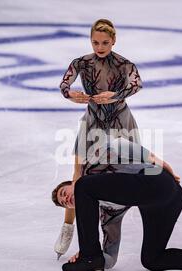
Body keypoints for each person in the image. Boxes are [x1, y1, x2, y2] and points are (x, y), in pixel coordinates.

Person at [53, 137, 182, 271]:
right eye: (65, 203)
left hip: (157, 179)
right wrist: (99, 255)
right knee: (152, 260)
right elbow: (110, 257)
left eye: (64, 193)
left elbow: (119, 144)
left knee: (84, 186)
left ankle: (89, 255)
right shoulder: (108, 212)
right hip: (164, 202)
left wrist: (158, 161)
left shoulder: (92, 170)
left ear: (71, 182)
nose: (66, 199)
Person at [55, 18, 143, 258]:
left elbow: (137, 85)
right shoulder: (82, 62)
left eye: (105, 42)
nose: (100, 47)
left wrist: (115, 95)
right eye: (95, 42)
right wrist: (70, 94)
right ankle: (68, 226)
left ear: (113, 41)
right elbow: (64, 84)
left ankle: (109, 235)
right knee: (80, 173)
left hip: (120, 120)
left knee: (131, 169)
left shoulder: (125, 64)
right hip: (92, 119)